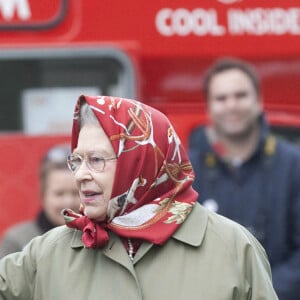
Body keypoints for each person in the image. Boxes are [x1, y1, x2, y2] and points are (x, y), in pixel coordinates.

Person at [0, 95, 278, 299]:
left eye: (96, 160)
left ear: (142, 163)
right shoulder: (49, 253)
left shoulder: (233, 249)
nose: (81, 175)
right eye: (77, 160)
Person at [189, 57, 300, 300]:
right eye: (221, 98)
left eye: (240, 95)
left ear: (259, 101)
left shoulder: (294, 165)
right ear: (208, 108)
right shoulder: (187, 172)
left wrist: (260, 292)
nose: (231, 105)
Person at [0, 143, 80, 258]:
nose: (68, 202)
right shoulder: (18, 240)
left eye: (76, 193)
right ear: (43, 195)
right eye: (59, 194)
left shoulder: (100, 238)